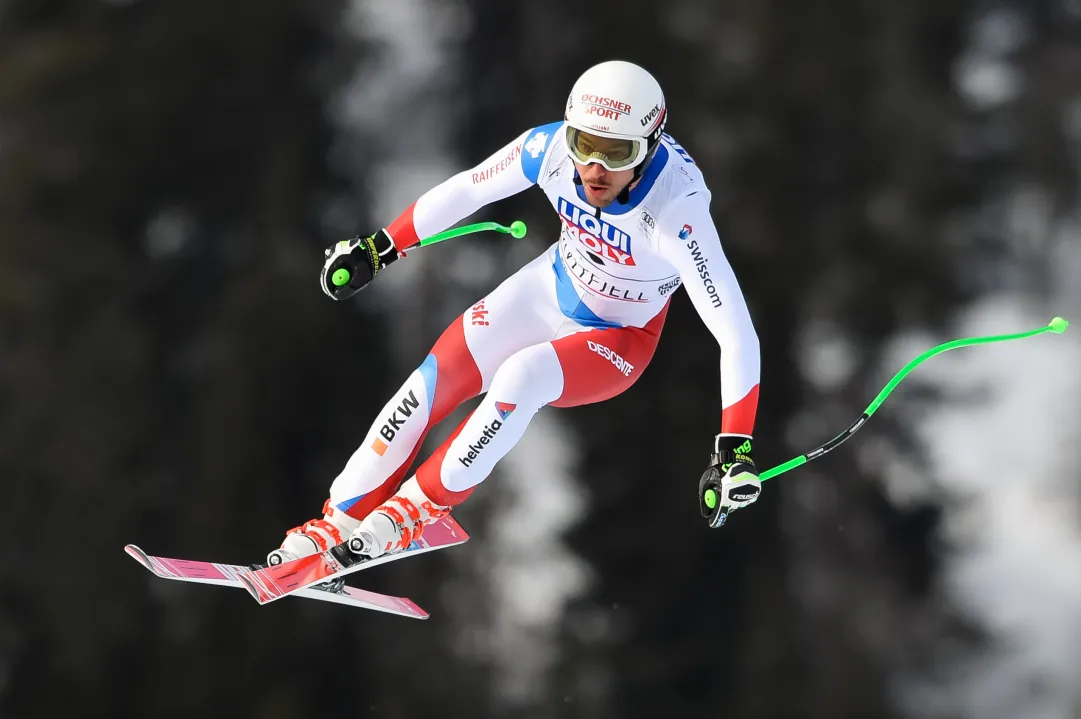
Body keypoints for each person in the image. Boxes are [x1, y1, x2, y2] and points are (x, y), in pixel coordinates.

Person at [266, 59, 763, 567]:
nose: (594, 169)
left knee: (521, 378)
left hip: (621, 336)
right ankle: (337, 522)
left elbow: (735, 331)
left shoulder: (676, 210)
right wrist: (380, 248)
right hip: (552, 285)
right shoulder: (547, 150)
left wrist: (734, 449)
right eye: (584, 145)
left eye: (617, 154)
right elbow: (468, 188)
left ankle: (414, 511)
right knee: (430, 385)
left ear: (650, 145)